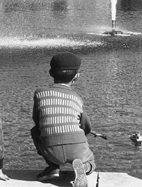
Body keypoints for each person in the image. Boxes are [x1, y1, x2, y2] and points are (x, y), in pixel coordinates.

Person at [31, 52, 95, 187]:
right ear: (76, 76)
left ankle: (53, 167)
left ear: (50, 72)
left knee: (35, 131)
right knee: (91, 161)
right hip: (77, 150)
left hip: (50, 149)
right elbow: (86, 127)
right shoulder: (76, 98)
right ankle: (84, 167)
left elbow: (36, 120)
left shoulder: (40, 93)